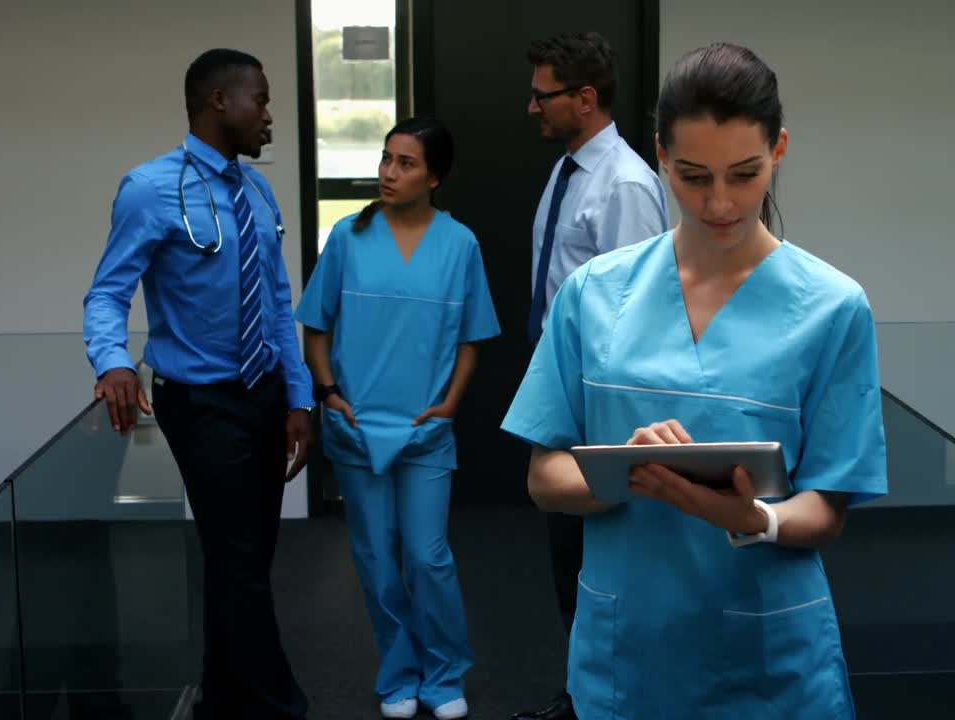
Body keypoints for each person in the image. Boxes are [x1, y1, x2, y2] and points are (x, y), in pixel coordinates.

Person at [501, 42, 888, 718]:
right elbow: (544, 477)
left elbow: (827, 508)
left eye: (744, 174)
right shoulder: (593, 293)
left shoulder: (832, 308)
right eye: (692, 176)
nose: (719, 202)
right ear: (660, 156)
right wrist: (628, 468)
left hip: (770, 655)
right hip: (631, 648)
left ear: (779, 150)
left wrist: (756, 518)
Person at [83, 48, 311, 719]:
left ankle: (222, 701)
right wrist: (112, 362)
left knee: (244, 561)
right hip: (201, 402)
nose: (268, 116)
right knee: (238, 559)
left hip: (265, 393)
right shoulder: (150, 188)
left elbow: (277, 303)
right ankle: (279, 708)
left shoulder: (257, 192)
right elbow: (107, 293)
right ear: (219, 102)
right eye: (259, 100)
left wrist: (298, 396)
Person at [295, 116, 500, 720]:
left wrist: (451, 403)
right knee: (377, 559)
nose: (388, 172)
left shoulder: (459, 245)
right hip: (357, 426)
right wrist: (328, 392)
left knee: (428, 557)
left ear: (434, 177)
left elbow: (471, 338)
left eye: (405, 163)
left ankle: (443, 673)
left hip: (424, 429)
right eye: (386, 158)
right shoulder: (348, 237)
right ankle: (398, 672)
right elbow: (316, 326)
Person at [516, 31, 669, 720]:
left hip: (599, 402)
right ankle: (584, 696)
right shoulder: (570, 170)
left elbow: (636, 318)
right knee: (569, 560)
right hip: (564, 391)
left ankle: (607, 700)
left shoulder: (626, 184)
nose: (531, 107)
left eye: (542, 95)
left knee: (597, 562)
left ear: (584, 98)